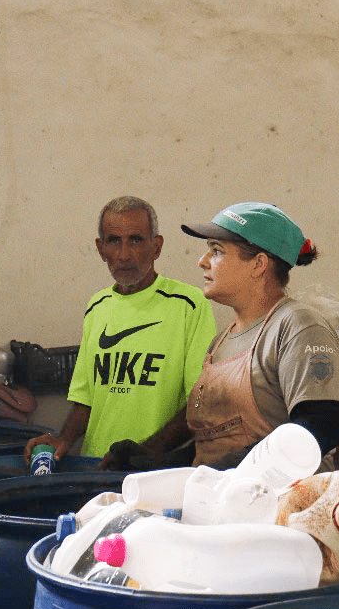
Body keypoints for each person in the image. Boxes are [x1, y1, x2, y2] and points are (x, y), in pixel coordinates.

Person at [129, 201, 339, 470]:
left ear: (258, 264)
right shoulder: (221, 341)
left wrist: (228, 473)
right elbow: (212, 445)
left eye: (216, 251)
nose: (202, 261)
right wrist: (151, 460)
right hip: (224, 499)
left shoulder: (298, 327)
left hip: (281, 503)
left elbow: (319, 429)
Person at [26, 196, 215, 464]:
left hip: (153, 469)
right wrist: (64, 438)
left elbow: (200, 402)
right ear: (101, 248)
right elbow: (86, 399)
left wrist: (144, 453)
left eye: (136, 240)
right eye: (114, 241)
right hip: (97, 466)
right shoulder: (97, 307)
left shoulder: (189, 304)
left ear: (156, 246)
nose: (124, 254)